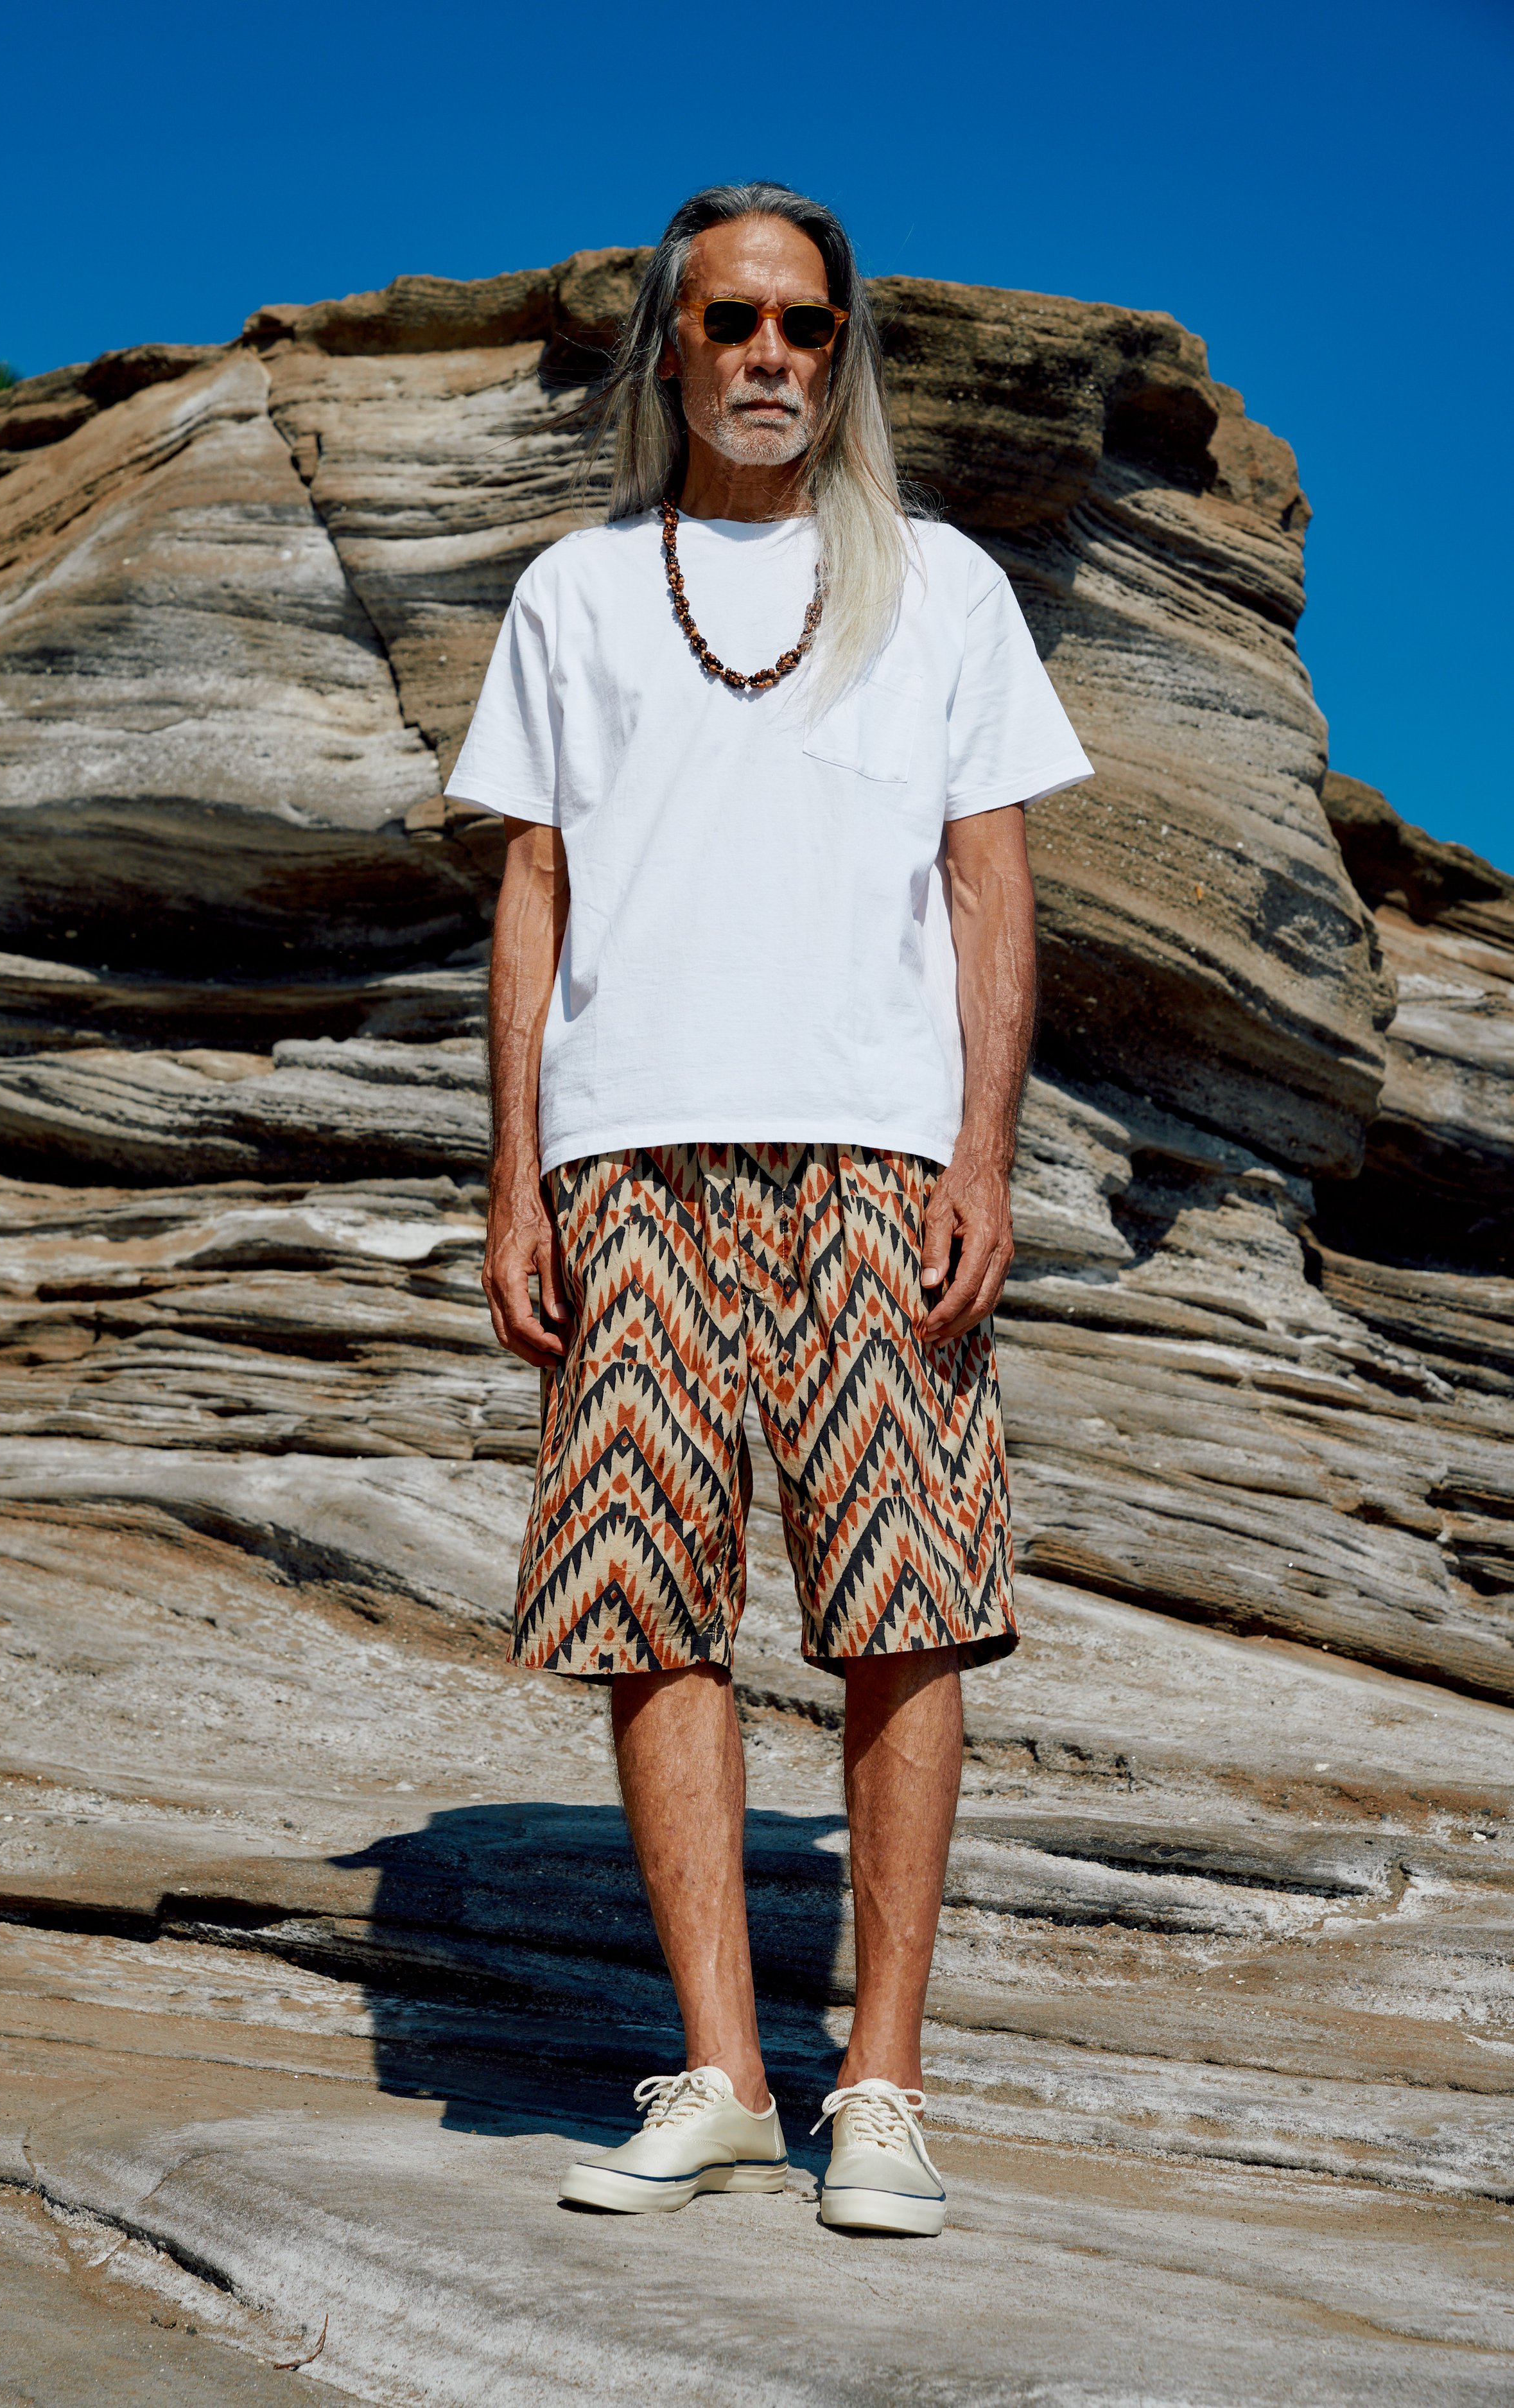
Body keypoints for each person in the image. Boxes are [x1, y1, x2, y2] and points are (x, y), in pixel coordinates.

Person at [446, 180, 1091, 2237]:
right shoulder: (567, 592)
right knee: (649, 1604)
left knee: (908, 1607)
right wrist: (514, 1170)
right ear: (668, 345)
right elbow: (531, 891)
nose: (767, 358)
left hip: (878, 1155)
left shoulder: (946, 590)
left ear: (841, 355)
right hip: (625, 1153)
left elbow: (992, 888)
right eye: (729, 319)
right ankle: (722, 2076)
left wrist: (981, 1157)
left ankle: (877, 2091)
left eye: (804, 327)